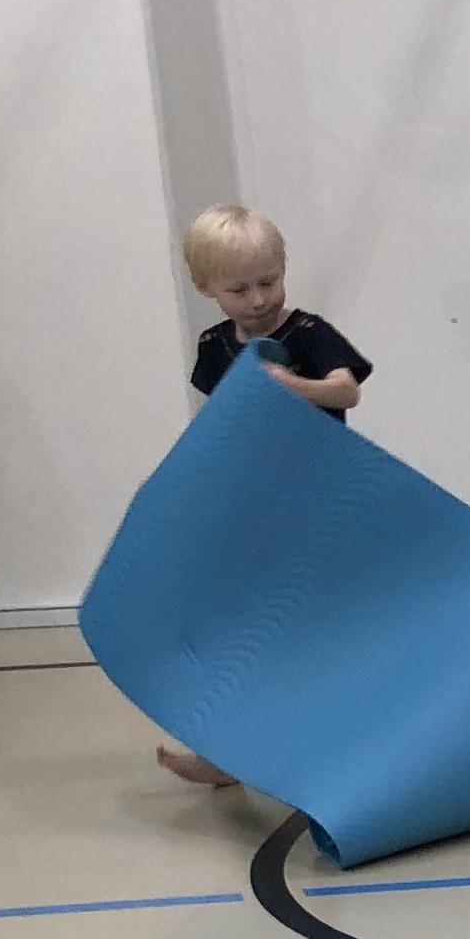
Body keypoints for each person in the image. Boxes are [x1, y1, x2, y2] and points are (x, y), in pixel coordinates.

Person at [157, 205, 372, 788]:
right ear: (205, 288)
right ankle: (225, 752)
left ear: (284, 271)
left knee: (314, 629)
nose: (258, 300)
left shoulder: (307, 333)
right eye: (239, 289)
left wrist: (290, 386)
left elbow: (345, 391)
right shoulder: (214, 345)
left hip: (317, 505)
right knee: (241, 634)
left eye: (269, 282)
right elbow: (222, 418)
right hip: (257, 505)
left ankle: (333, 743)